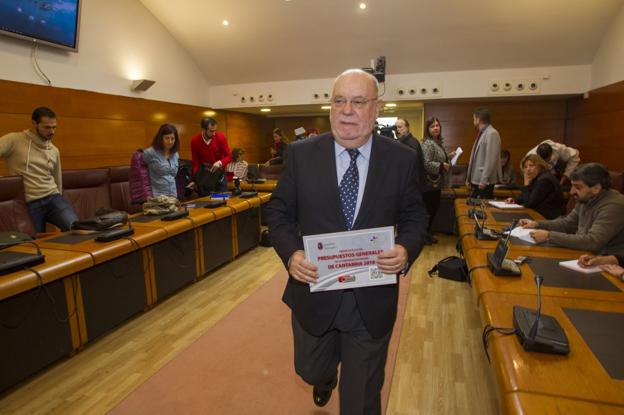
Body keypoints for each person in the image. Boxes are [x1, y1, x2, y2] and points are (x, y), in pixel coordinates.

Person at [265, 69, 427, 414]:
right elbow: (278, 212)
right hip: (315, 293)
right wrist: (291, 253)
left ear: (377, 108)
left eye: (358, 101)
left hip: (370, 301)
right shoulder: (301, 155)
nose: (347, 110)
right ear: (330, 108)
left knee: (361, 401)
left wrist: (405, 249)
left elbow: (415, 218)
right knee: (310, 370)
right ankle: (325, 377)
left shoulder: (402, 160)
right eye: (339, 101)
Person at [0, 107, 78, 232]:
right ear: (34, 124)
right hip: (28, 202)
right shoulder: (14, 140)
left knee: (77, 229)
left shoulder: (54, 150)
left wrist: (59, 196)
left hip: (53, 197)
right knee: (33, 243)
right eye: (47, 127)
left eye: (54, 127)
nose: (52, 131)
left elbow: (57, 178)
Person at [518, 163, 624, 253]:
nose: (571, 191)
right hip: (583, 254)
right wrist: (537, 224)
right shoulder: (586, 198)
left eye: (578, 187)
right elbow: (567, 224)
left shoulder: (614, 206)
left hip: (604, 264)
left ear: (596, 188)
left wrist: (549, 236)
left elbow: (593, 242)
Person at [421, 116, 452, 244]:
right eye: (432, 126)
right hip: (429, 184)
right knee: (428, 210)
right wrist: (441, 165)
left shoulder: (437, 143)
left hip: (436, 183)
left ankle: (427, 233)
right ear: (428, 129)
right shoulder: (428, 143)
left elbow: (437, 158)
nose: (436, 128)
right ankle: (424, 236)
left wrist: (448, 157)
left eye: (437, 125)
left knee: (433, 209)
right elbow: (425, 163)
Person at [505, 153, 565, 219]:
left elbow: (529, 204)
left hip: (549, 219)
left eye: (531, 165)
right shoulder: (537, 178)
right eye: (525, 167)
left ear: (540, 166)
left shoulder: (544, 181)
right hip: (541, 215)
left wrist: (526, 184)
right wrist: (515, 200)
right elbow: (528, 196)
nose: (528, 169)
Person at [466, 108, 502, 198]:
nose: (473, 121)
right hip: (477, 180)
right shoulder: (482, 133)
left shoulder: (492, 133)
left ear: (479, 119)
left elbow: (491, 159)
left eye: (474, 119)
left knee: (482, 209)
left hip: (484, 181)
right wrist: (469, 178)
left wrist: (484, 180)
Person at [190, 117, 232, 192]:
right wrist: (195, 179)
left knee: (223, 201)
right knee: (207, 201)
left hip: (220, 176)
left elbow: (229, 157)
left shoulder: (221, 137)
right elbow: (196, 163)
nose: (214, 134)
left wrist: (219, 163)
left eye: (215, 131)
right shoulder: (195, 141)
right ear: (203, 130)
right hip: (205, 177)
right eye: (211, 131)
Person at [142, 124, 180, 197]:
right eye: (167, 138)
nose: (170, 141)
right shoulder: (150, 153)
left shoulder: (176, 154)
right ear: (160, 138)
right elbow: (141, 169)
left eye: (172, 138)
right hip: (157, 197)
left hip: (173, 195)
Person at [395, 117, 426, 193]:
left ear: (407, 128)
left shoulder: (412, 142)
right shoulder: (402, 142)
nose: (397, 130)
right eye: (396, 128)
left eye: (400, 127)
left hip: (413, 185)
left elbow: (409, 165)